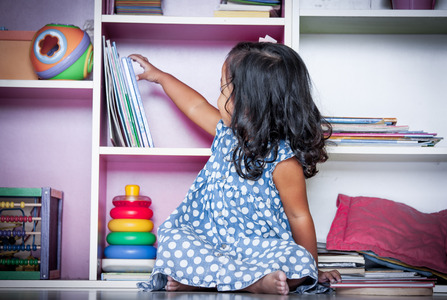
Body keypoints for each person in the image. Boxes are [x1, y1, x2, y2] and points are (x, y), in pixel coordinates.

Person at [130, 41, 340, 295]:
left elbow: (299, 217)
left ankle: (236, 282)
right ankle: (233, 281)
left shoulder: (283, 162)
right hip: (210, 241)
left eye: (222, 90)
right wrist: (161, 77)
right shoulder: (226, 134)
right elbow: (194, 105)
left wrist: (312, 269)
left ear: (251, 105)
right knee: (174, 241)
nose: (217, 97)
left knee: (294, 260)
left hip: (260, 248)